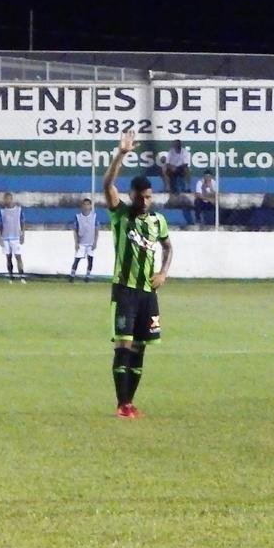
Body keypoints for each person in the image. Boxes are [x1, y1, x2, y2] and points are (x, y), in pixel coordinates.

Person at [104, 131, 172, 419]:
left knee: (141, 348)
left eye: (149, 197)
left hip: (148, 292)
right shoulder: (121, 214)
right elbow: (107, 184)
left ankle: (130, 402)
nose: (146, 201)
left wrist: (163, 273)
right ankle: (121, 405)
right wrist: (121, 154)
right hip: (125, 290)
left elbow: (168, 247)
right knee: (124, 345)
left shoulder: (157, 221)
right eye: (142, 197)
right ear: (132, 195)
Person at [0, 192, 26, 283]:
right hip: (6, 237)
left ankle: (21, 276)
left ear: (11, 199)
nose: (7, 201)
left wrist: (22, 234)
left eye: (8, 199)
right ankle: (10, 276)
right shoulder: (2, 211)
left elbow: (22, 222)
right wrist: (0, 237)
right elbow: (1, 225)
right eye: (5, 199)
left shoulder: (18, 210)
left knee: (18, 257)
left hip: (15, 237)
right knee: (8, 257)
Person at [69, 198, 99, 282]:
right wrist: (76, 243)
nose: (86, 206)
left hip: (90, 242)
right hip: (81, 242)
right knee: (77, 259)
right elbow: (75, 230)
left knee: (90, 260)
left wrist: (95, 242)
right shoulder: (78, 217)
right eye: (84, 205)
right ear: (82, 206)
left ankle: (87, 276)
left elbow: (96, 230)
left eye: (88, 204)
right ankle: (72, 275)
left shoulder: (94, 216)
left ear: (90, 206)